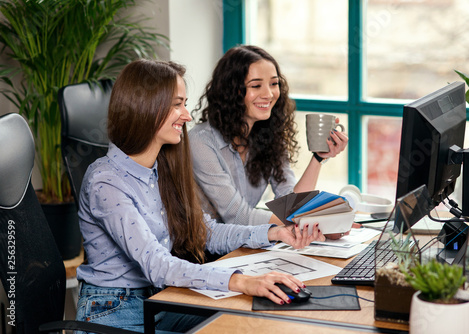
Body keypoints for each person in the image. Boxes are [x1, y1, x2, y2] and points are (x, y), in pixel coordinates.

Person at [74, 59, 325, 333]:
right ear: (146, 106)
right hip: (113, 311)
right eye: (177, 104)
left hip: (159, 299)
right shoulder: (106, 181)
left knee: (253, 322)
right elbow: (157, 264)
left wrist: (274, 233)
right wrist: (240, 281)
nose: (187, 115)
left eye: (185, 103)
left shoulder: (162, 167)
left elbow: (204, 231)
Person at [189, 45, 349, 231]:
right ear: (231, 91)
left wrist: (319, 157)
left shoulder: (268, 136)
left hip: (247, 245)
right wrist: (313, 222)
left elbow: (292, 204)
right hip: (205, 254)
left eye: (274, 84)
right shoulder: (201, 142)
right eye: (256, 86)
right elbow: (239, 217)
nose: (269, 94)